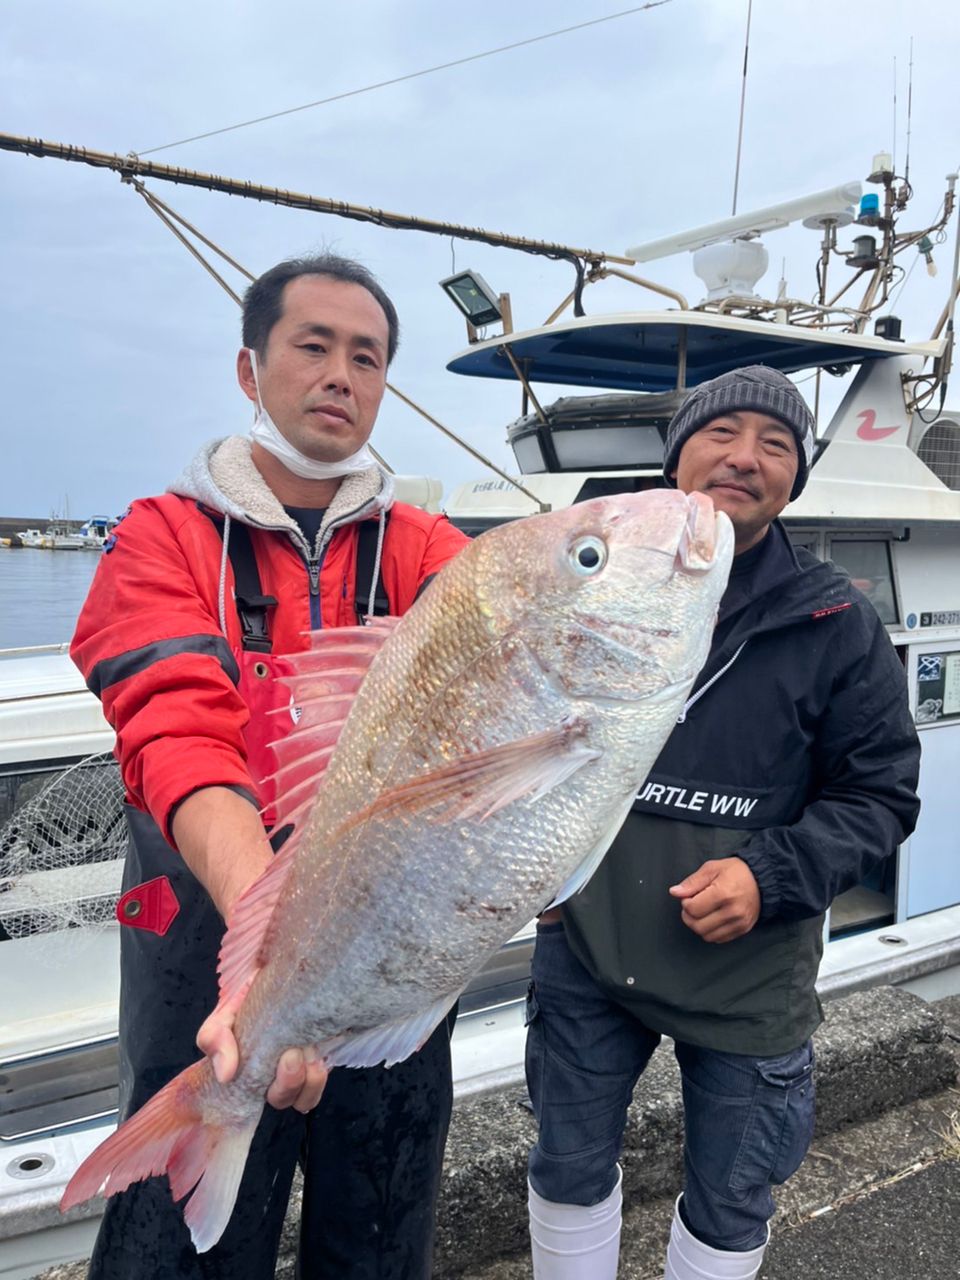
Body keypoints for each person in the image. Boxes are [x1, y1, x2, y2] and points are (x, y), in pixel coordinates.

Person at [71, 253, 469, 1280]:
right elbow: (176, 727)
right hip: (202, 932)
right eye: (314, 345)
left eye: (368, 356)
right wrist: (265, 962)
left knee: (380, 1227)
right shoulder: (160, 536)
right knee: (183, 1245)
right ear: (251, 371)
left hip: (396, 937)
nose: (342, 374)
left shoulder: (432, 554)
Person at [524, 365, 921, 1280]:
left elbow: (882, 794)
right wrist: (542, 877)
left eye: (775, 444)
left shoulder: (835, 621)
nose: (745, 458)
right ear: (678, 457)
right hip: (589, 949)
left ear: (795, 477)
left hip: (751, 973)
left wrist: (769, 876)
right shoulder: (593, 585)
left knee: (734, 1192)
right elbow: (528, 749)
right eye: (721, 433)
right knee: (565, 1162)